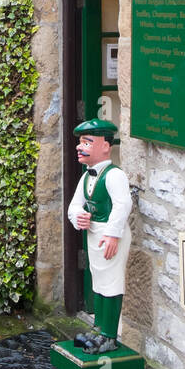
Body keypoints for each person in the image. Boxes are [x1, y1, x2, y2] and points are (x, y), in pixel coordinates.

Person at [67, 118, 132, 355]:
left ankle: (109, 336)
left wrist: (113, 235)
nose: (79, 147)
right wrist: (78, 217)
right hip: (94, 235)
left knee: (112, 282)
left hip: (110, 237)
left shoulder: (115, 176)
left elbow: (123, 205)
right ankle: (99, 328)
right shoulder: (86, 177)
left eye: (87, 142)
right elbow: (74, 206)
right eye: (80, 142)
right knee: (99, 281)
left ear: (105, 146)